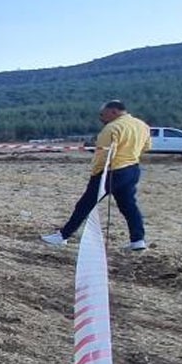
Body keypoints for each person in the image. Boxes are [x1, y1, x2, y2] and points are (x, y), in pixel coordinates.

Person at [41, 100, 150, 251]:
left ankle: (63, 236)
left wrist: (96, 173)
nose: (101, 118)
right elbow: (147, 146)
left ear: (113, 111)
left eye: (103, 114)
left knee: (85, 205)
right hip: (132, 169)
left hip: (111, 171)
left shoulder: (112, 128)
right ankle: (138, 240)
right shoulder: (142, 125)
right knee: (129, 207)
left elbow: (102, 154)